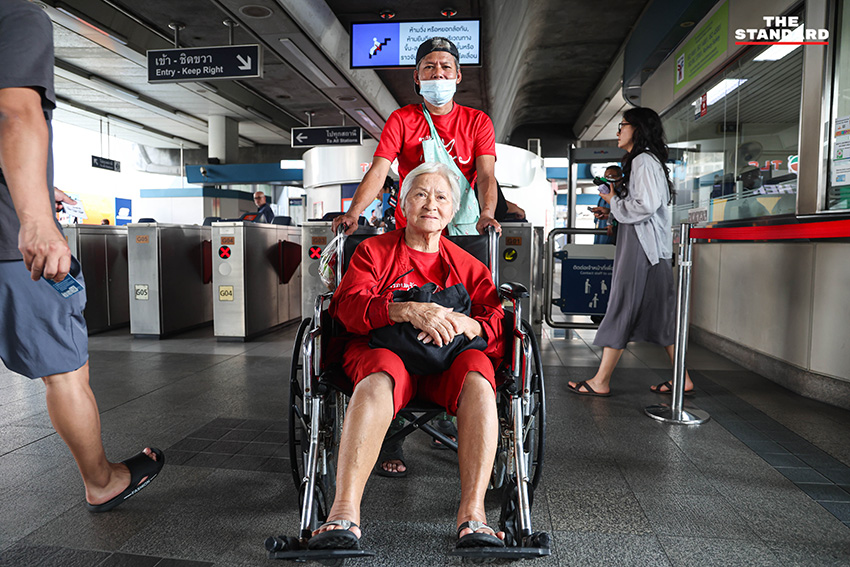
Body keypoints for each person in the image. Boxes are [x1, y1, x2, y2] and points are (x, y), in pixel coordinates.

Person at [0, 0, 163, 513]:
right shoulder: (15, 15)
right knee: (65, 371)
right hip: (9, 247)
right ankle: (102, 480)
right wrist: (35, 218)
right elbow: (15, 113)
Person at [310, 162, 506, 551]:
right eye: (420, 194)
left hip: (447, 365)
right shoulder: (372, 252)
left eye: (441, 197)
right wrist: (405, 310)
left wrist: (467, 323)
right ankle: (343, 512)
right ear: (402, 206)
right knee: (379, 373)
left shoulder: (469, 265)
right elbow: (347, 307)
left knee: (479, 375)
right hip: (384, 354)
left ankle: (474, 515)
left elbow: (495, 321)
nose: (431, 204)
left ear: (453, 210)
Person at [568, 107, 694, 397]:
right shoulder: (649, 161)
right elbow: (644, 204)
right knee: (662, 315)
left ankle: (601, 381)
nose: (618, 131)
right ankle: (683, 378)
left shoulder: (642, 161)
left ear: (638, 128)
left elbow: (644, 206)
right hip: (654, 249)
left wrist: (613, 199)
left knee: (622, 306)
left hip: (641, 247)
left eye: (622, 125)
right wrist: (613, 208)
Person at [332, 37, 501, 237]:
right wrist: (353, 213)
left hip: (461, 230)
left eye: (446, 66)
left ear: (458, 76)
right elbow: (378, 172)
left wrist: (487, 214)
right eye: (429, 67)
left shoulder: (478, 122)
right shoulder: (401, 120)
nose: (438, 73)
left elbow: (486, 176)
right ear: (417, 77)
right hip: (411, 230)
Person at [591, 165, 622, 245]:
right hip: (600, 237)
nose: (608, 179)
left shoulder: (623, 196)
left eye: (611, 176)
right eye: (606, 177)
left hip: (614, 239)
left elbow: (626, 214)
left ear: (620, 178)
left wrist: (614, 225)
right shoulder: (603, 197)